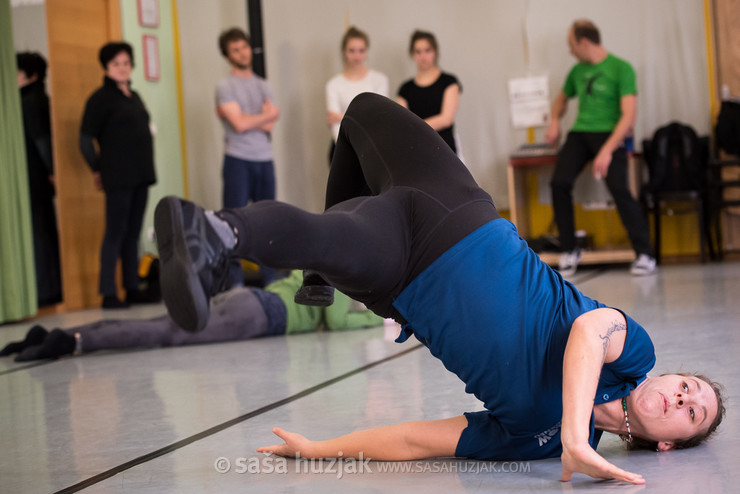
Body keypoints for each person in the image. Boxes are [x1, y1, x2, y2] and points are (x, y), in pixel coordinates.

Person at [153, 93, 724, 484]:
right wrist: (576, 436)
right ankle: (311, 273)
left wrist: (319, 450)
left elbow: (418, 441)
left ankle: (216, 232)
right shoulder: (634, 357)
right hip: (457, 210)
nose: (681, 397)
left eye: (691, 413)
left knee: (326, 238)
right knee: (362, 111)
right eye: (689, 386)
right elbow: (586, 330)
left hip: (407, 277)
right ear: (673, 373)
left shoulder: (538, 442)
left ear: (668, 443)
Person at [0, 270, 383, 362]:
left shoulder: (318, 263)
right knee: (170, 333)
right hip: (258, 315)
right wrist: (374, 319)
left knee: (158, 323)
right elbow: (334, 321)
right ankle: (74, 342)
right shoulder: (340, 275)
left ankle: (51, 334)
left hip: (245, 296)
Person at [545, 20, 655, 277]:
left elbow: (629, 115)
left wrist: (606, 151)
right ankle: (570, 250)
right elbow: (562, 99)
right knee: (559, 183)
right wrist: (554, 121)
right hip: (581, 133)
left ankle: (645, 254)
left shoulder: (621, 68)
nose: (570, 51)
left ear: (584, 42)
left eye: (571, 45)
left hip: (610, 134)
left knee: (619, 188)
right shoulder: (576, 71)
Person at [80, 42, 157, 309]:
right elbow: (85, 140)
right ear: (107, 67)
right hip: (118, 175)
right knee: (115, 232)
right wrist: (97, 170)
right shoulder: (100, 98)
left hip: (141, 174)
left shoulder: (133, 96)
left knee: (133, 232)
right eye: (116, 64)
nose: (122, 68)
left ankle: (132, 287)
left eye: (126, 63)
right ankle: (108, 293)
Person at [216, 27, 280, 287]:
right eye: (235, 50)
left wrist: (248, 118)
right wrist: (264, 116)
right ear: (227, 55)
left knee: (267, 223)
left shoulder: (264, 85)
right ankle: (234, 285)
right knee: (233, 223)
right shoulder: (225, 86)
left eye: (244, 47)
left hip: (264, 159)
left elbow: (268, 125)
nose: (242, 53)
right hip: (238, 160)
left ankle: (272, 283)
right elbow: (240, 125)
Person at [17, 51, 62, 306]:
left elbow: (42, 141)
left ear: (31, 75)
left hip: (36, 179)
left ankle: (47, 291)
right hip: (40, 179)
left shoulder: (29, 102)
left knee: (40, 235)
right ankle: (50, 287)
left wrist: (53, 171)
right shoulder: (40, 99)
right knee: (44, 232)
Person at [325, 26, 389, 164]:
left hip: (372, 147)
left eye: (361, 50)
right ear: (344, 51)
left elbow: (379, 118)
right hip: (342, 149)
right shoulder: (334, 84)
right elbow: (336, 126)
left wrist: (342, 117)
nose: (356, 56)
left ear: (367, 51)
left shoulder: (379, 80)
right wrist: (348, 149)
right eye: (352, 51)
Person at [397, 30, 461, 154]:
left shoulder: (449, 82)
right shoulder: (405, 89)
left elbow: (446, 119)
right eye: (418, 51)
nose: (423, 56)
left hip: (445, 150)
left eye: (427, 50)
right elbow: (403, 124)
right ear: (412, 54)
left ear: (435, 51)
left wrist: (414, 127)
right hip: (416, 150)